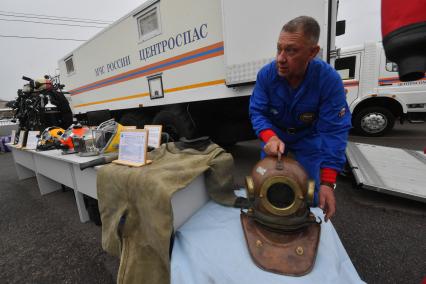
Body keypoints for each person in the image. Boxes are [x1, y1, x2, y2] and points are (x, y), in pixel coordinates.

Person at [249, 16, 351, 221]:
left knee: (310, 194)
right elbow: (257, 112)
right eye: (279, 49)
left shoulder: (328, 80)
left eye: (291, 50)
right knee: (265, 187)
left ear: (313, 52)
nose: (280, 58)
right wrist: (270, 137)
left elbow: (334, 131)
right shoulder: (266, 76)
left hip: (308, 139)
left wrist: (328, 182)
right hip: (275, 137)